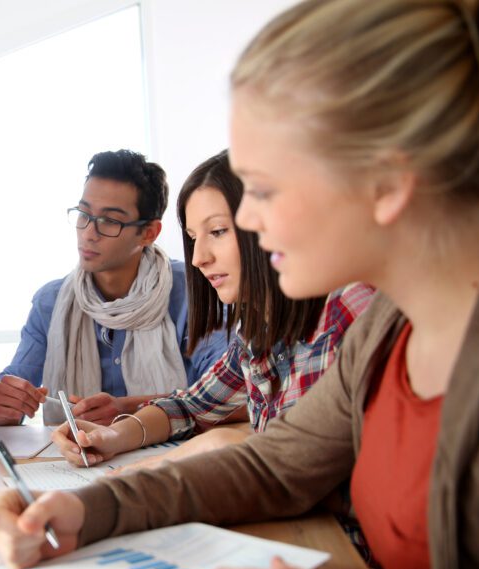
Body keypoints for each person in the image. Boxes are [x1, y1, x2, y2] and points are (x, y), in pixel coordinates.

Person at [0, 0, 479, 569]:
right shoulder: (388, 329)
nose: (250, 222)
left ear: (385, 179)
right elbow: (272, 465)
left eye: (261, 189)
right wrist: (91, 507)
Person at [81, 150, 373, 471]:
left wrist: (167, 461)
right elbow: (192, 406)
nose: (198, 258)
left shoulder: (345, 309)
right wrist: (113, 436)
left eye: (218, 231)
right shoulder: (257, 328)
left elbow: (302, 464)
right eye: (193, 238)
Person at [0, 150, 227, 427]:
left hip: (175, 459)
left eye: (110, 221)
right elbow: (13, 390)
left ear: (149, 233)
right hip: (74, 461)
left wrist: (130, 410)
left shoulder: (193, 292)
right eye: (83, 214)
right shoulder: (51, 303)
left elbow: (226, 396)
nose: (88, 233)